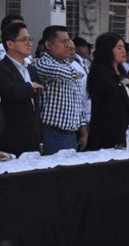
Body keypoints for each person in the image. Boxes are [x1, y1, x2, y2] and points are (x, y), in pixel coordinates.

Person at [34, 25, 88, 155]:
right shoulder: (43, 64)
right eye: (63, 41)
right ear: (49, 44)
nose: (69, 45)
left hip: (71, 134)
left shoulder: (68, 65)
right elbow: (63, 73)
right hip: (52, 133)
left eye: (68, 40)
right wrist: (76, 73)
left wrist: (83, 131)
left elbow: (77, 101)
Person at [0, 22, 42, 154]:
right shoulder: (0, 69)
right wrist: (29, 86)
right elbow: (11, 93)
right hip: (11, 138)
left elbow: (35, 105)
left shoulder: (31, 69)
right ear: (10, 44)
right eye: (24, 40)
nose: (29, 43)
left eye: (30, 39)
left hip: (33, 139)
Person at [86, 32, 129, 150]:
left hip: (124, 128)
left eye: (124, 47)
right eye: (119, 48)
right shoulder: (100, 71)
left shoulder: (121, 70)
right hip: (106, 129)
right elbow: (112, 92)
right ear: (107, 50)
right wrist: (121, 84)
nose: (124, 51)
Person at [69, 39, 91, 129]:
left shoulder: (83, 62)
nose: (72, 52)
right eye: (84, 47)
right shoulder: (72, 65)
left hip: (86, 110)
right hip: (77, 115)